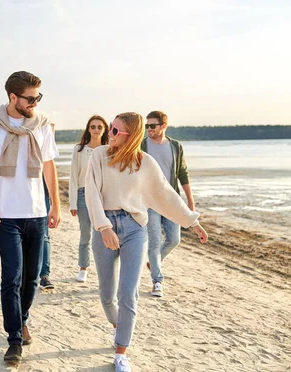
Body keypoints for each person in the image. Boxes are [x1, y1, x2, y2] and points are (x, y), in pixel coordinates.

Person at [85, 112, 208, 372]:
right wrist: (104, 227)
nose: (110, 134)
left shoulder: (145, 162)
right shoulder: (99, 156)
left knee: (128, 294)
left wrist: (192, 221)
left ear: (131, 136)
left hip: (134, 229)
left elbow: (166, 195)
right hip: (105, 227)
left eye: (116, 131)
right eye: (110, 129)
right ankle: (120, 325)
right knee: (107, 296)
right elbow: (92, 193)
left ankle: (121, 353)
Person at [0, 71, 60, 364]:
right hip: (6, 214)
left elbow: (49, 167)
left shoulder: (42, 124)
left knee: (32, 278)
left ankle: (22, 319)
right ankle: (14, 340)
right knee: (12, 277)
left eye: (38, 98)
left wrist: (55, 206)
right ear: (12, 97)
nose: (35, 103)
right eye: (30, 98)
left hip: (36, 213)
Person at [141, 110, 196, 297]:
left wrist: (189, 201)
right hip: (150, 201)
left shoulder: (175, 146)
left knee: (174, 240)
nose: (148, 129)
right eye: (146, 125)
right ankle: (157, 281)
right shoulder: (142, 145)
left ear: (163, 126)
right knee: (154, 242)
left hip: (171, 200)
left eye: (152, 126)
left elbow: (182, 174)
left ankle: (153, 262)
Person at [69, 115, 109, 282]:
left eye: (99, 127)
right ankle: (83, 267)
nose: (96, 130)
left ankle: (105, 269)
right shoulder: (79, 150)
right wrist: (72, 202)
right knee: (85, 233)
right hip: (82, 194)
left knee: (103, 232)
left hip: (103, 195)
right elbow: (73, 176)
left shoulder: (109, 149)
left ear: (105, 129)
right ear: (88, 129)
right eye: (93, 127)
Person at [40, 123, 57, 290]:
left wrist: (55, 203)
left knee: (44, 235)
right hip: (21, 195)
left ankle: (44, 275)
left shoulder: (44, 130)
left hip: (42, 192)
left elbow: (50, 168)